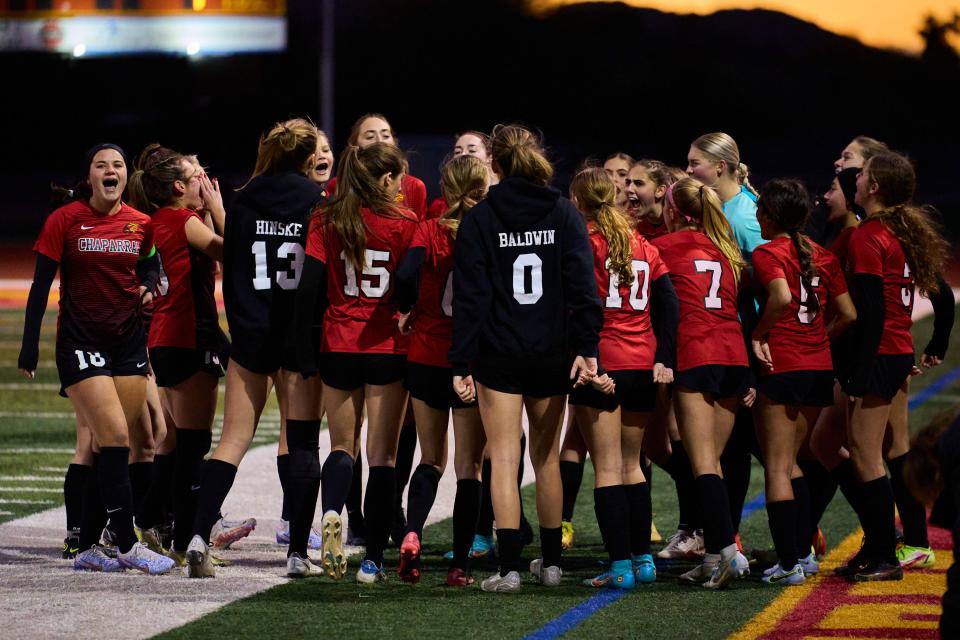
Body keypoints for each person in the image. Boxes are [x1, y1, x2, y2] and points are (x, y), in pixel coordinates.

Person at [449, 124, 602, 593]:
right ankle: (551, 565)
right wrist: (587, 347)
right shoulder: (562, 212)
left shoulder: (480, 218)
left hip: (499, 352)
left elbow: (471, 300)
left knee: (504, 456)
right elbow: (583, 288)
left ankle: (509, 570)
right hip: (551, 352)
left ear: (494, 164)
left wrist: (460, 361)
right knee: (547, 458)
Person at [18, 143, 174, 575]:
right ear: (89, 177)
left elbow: (154, 272)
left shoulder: (140, 224)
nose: (111, 170)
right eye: (101, 165)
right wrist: (29, 345)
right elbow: (39, 289)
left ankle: (87, 546)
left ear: (127, 176)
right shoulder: (64, 220)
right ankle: (126, 543)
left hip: (127, 345)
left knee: (111, 447)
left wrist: (150, 288)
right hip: (80, 343)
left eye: (118, 165)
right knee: (116, 438)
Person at [184, 118, 326, 578]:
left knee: (231, 442)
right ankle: (297, 552)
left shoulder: (243, 201)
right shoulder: (318, 201)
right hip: (299, 339)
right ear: (307, 158)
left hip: (251, 335)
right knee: (300, 443)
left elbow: (236, 256)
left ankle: (198, 536)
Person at [295, 141, 418, 583]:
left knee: (342, 446)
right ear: (385, 179)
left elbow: (308, 286)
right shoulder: (404, 222)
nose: (402, 188)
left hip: (337, 342)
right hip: (386, 346)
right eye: (398, 180)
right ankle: (373, 562)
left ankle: (331, 512)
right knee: (382, 456)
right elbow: (410, 281)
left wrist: (305, 349)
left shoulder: (327, 217)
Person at [841, 151, 953, 581]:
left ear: (874, 188)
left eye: (862, 174)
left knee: (866, 458)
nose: (855, 177)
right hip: (897, 351)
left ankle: (886, 555)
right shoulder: (902, 230)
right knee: (886, 451)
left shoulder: (869, 236)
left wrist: (858, 370)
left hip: (882, 354)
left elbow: (870, 313)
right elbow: (941, 297)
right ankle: (896, 547)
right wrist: (937, 342)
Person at [567, 167, 679, 589]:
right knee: (633, 465)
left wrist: (591, 362)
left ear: (578, 204)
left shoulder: (587, 245)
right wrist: (663, 357)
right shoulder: (644, 245)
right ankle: (643, 558)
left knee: (608, 469)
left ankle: (618, 566)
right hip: (642, 363)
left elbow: (581, 310)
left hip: (604, 364)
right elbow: (669, 305)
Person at [126, 143, 231, 561]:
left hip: (166, 337)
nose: (204, 181)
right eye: (196, 176)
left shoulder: (161, 219)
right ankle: (187, 537)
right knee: (194, 444)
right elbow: (231, 250)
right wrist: (220, 211)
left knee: (173, 443)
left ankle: (149, 520)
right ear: (176, 187)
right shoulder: (182, 219)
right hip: (190, 334)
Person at [750, 179, 856, 585]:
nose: (757, 216)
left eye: (761, 210)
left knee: (777, 467)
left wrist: (759, 334)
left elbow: (778, 296)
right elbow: (848, 315)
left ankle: (789, 564)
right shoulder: (823, 254)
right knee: (794, 461)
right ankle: (803, 556)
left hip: (783, 366)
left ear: (772, 216)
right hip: (818, 369)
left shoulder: (767, 252)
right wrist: (816, 342)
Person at [651, 176, 754, 589]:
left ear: (673, 210)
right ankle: (715, 555)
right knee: (715, 462)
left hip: (696, 354)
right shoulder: (727, 251)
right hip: (733, 356)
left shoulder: (663, 247)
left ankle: (728, 551)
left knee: (704, 464)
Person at [393, 154, 489, 585]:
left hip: (425, 355)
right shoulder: (486, 231)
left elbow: (406, 272)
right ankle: (459, 566)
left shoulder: (428, 229)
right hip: (468, 360)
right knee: (470, 466)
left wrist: (410, 308)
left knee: (429, 458)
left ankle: (412, 531)